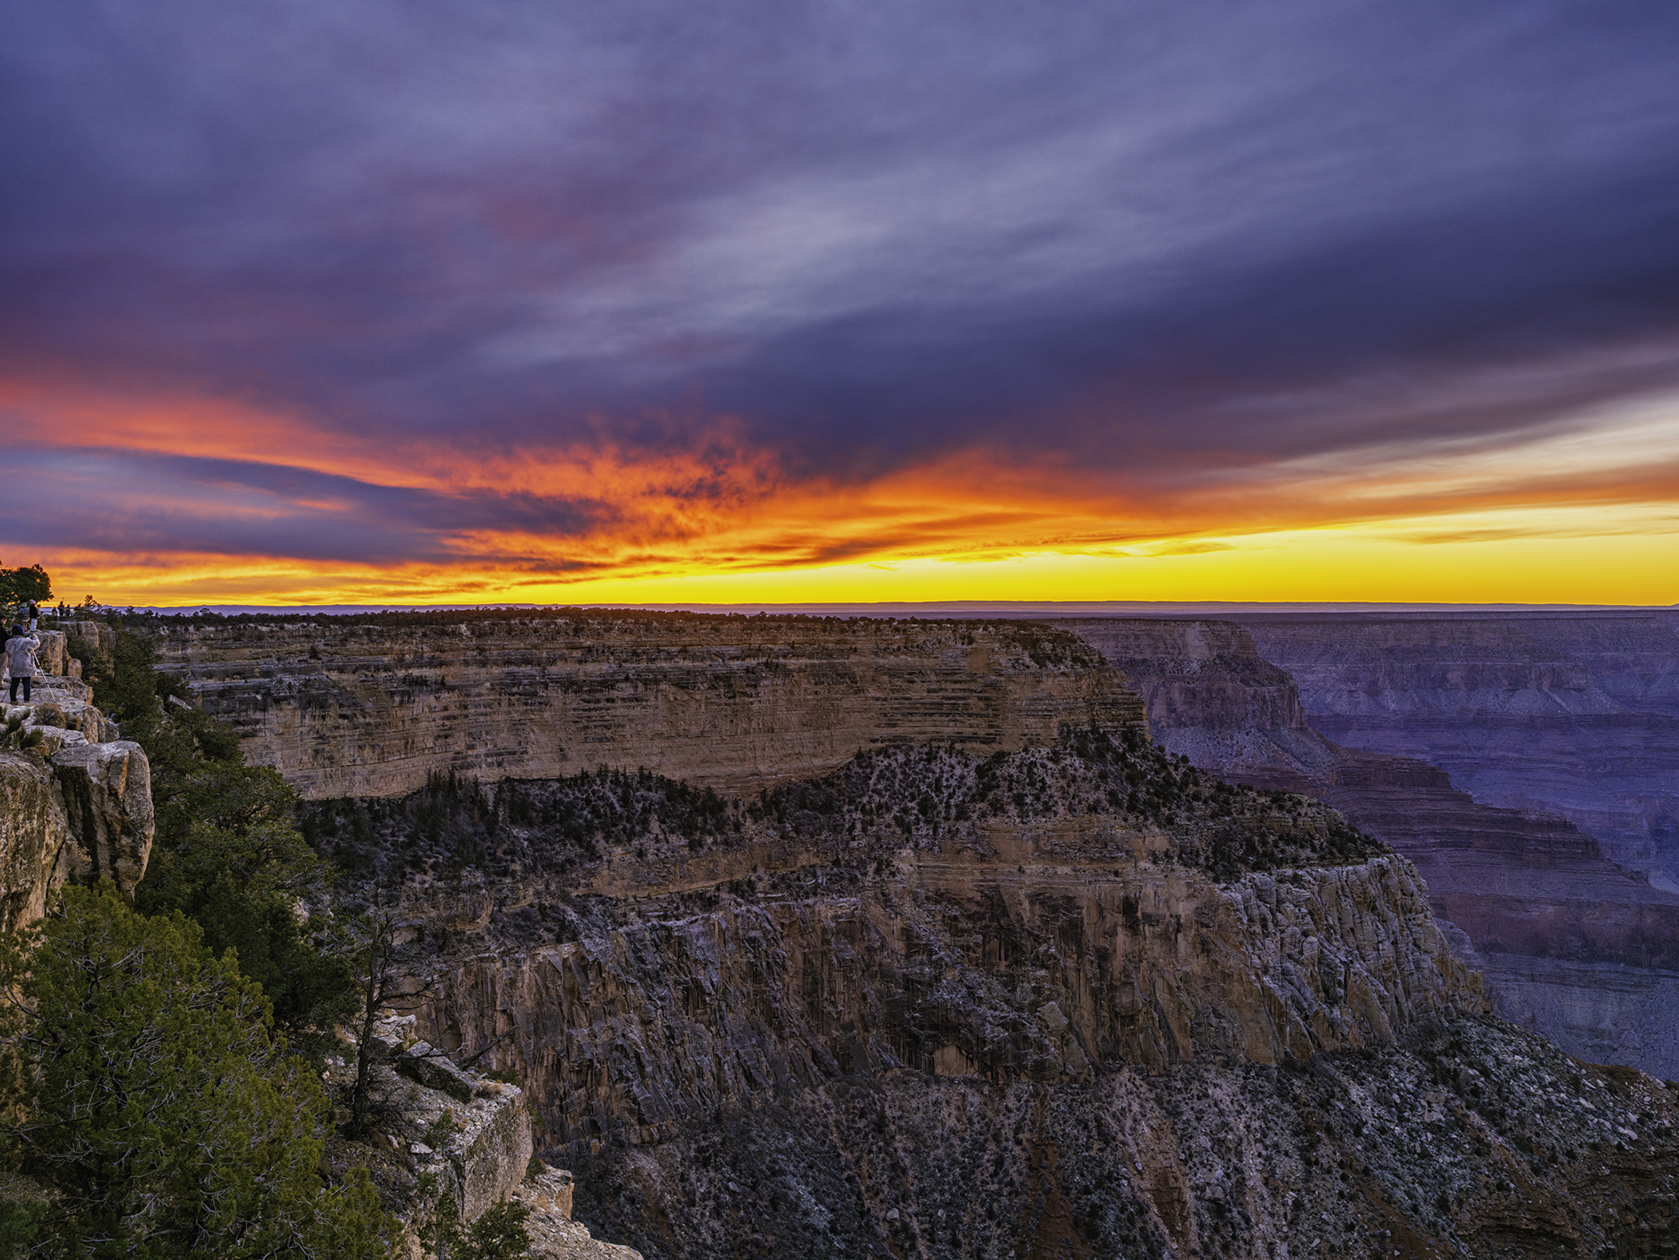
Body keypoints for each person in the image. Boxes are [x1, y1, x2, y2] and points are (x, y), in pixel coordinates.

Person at [6, 624, 40, 704]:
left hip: (14, 665)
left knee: (14, 683)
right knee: (26, 684)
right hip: (26, 665)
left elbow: (8, 651)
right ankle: (26, 700)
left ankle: (13, 700)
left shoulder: (8, 642)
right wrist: (34, 636)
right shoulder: (26, 641)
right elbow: (36, 644)